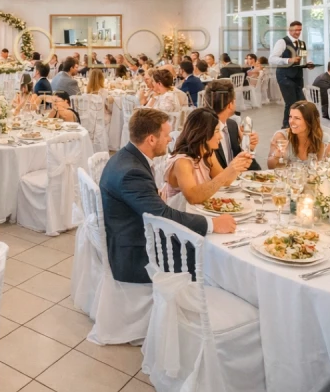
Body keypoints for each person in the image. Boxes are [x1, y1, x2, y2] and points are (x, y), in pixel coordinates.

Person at [100, 108, 235, 285]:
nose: (171, 139)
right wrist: (212, 224)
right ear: (151, 139)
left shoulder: (127, 157)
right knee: (212, 254)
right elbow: (162, 215)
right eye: (167, 135)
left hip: (132, 233)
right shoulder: (132, 172)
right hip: (136, 254)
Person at [163, 107, 254, 205]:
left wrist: (237, 166)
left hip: (199, 210)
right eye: (216, 131)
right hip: (179, 213)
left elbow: (224, 183)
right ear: (203, 134)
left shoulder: (207, 153)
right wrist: (229, 170)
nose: (220, 136)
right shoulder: (182, 162)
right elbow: (193, 197)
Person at [204, 80, 261, 171]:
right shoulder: (205, 131)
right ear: (231, 104)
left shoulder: (232, 125)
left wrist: (247, 147)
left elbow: (251, 168)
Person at [270, 20, 315, 128]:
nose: (298, 32)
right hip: (284, 76)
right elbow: (272, 59)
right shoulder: (282, 42)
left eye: (299, 30)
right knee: (291, 103)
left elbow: (304, 59)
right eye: (295, 30)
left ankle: (299, 125)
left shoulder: (302, 44)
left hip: (297, 76)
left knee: (301, 102)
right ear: (290, 30)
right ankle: (286, 127)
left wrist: (308, 64)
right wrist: (289, 60)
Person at [267, 101, 330, 168]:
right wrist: (276, 156)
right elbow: (270, 167)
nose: (291, 121)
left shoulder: (324, 140)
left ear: (309, 121)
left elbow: (324, 169)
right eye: (290, 117)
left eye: (297, 118)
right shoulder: (281, 137)